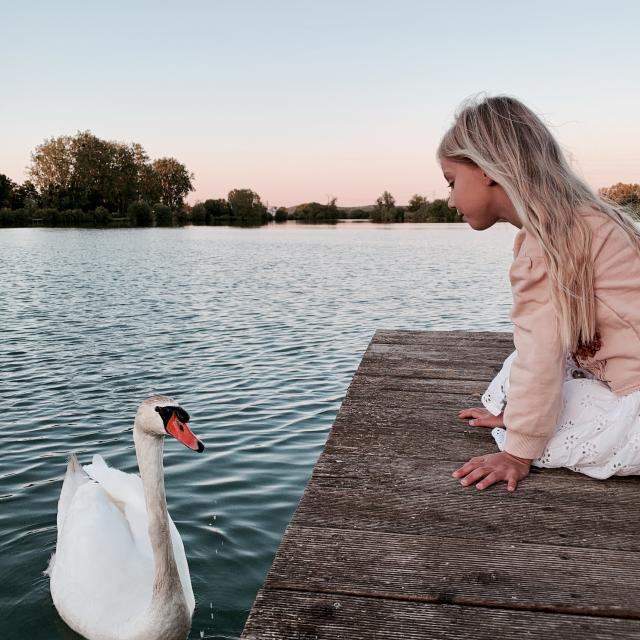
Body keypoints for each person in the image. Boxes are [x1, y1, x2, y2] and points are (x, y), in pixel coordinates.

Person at [437, 94, 640, 492]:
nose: (449, 200)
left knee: (533, 377)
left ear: (485, 171)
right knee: (521, 365)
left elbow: (542, 353)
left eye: (451, 182)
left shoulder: (548, 242)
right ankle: (525, 417)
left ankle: (524, 426)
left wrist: (517, 452)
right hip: (617, 376)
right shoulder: (577, 221)